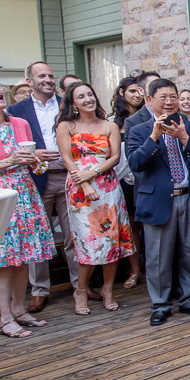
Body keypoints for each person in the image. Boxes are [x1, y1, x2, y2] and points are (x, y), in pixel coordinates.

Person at [127, 78, 190, 326]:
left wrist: (186, 139)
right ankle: (161, 305)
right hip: (158, 201)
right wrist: (154, 137)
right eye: (163, 97)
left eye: (173, 96)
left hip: (189, 196)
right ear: (150, 100)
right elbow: (135, 164)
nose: (169, 102)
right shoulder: (139, 130)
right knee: (158, 256)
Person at [7, 61, 87, 313]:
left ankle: (80, 287)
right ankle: (40, 290)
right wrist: (32, 154)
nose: (48, 80)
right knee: (38, 236)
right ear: (29, 81)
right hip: (36, 178)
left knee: (74, 233)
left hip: (70, 176)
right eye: (42, 76)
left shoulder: (68, 104)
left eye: (51, 76)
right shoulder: (15, 110)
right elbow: (10, 145)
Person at [0, 75, 55, 337]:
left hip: (25, 195)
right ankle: (4, 317)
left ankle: (20, 310)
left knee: (24, 257)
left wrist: (37, 162)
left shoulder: (20, 123)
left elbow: (34, 162)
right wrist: (9, 161)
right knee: (3, 261)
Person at [55, 82, 135, 314]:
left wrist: (94, 173)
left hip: (108, 186)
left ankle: (108, 289)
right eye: (81, 96)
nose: (88, 99)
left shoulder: (109, 125)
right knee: (86, 239)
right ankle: (81, 290)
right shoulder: (66, 126)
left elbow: (115, 157)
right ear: (73, 103)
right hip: (80, 188)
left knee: (111, 239)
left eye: (90, 94)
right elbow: (67, 159)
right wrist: (85, 181)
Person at [110, 76, 145, 289]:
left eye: (140, 91)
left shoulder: (147, 119)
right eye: (132, 91)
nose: (137, 95)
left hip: (143, 177)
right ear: (122, 93)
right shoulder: (113, 121)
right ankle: (134, 269)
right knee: (130, 226)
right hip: (121, 178)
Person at [122, 71, 161, 141]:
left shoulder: (175, 115)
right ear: (141, 91)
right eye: (152, 86)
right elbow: (134, 151)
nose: (158, 90)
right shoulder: (133, 122)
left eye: (160, 86)